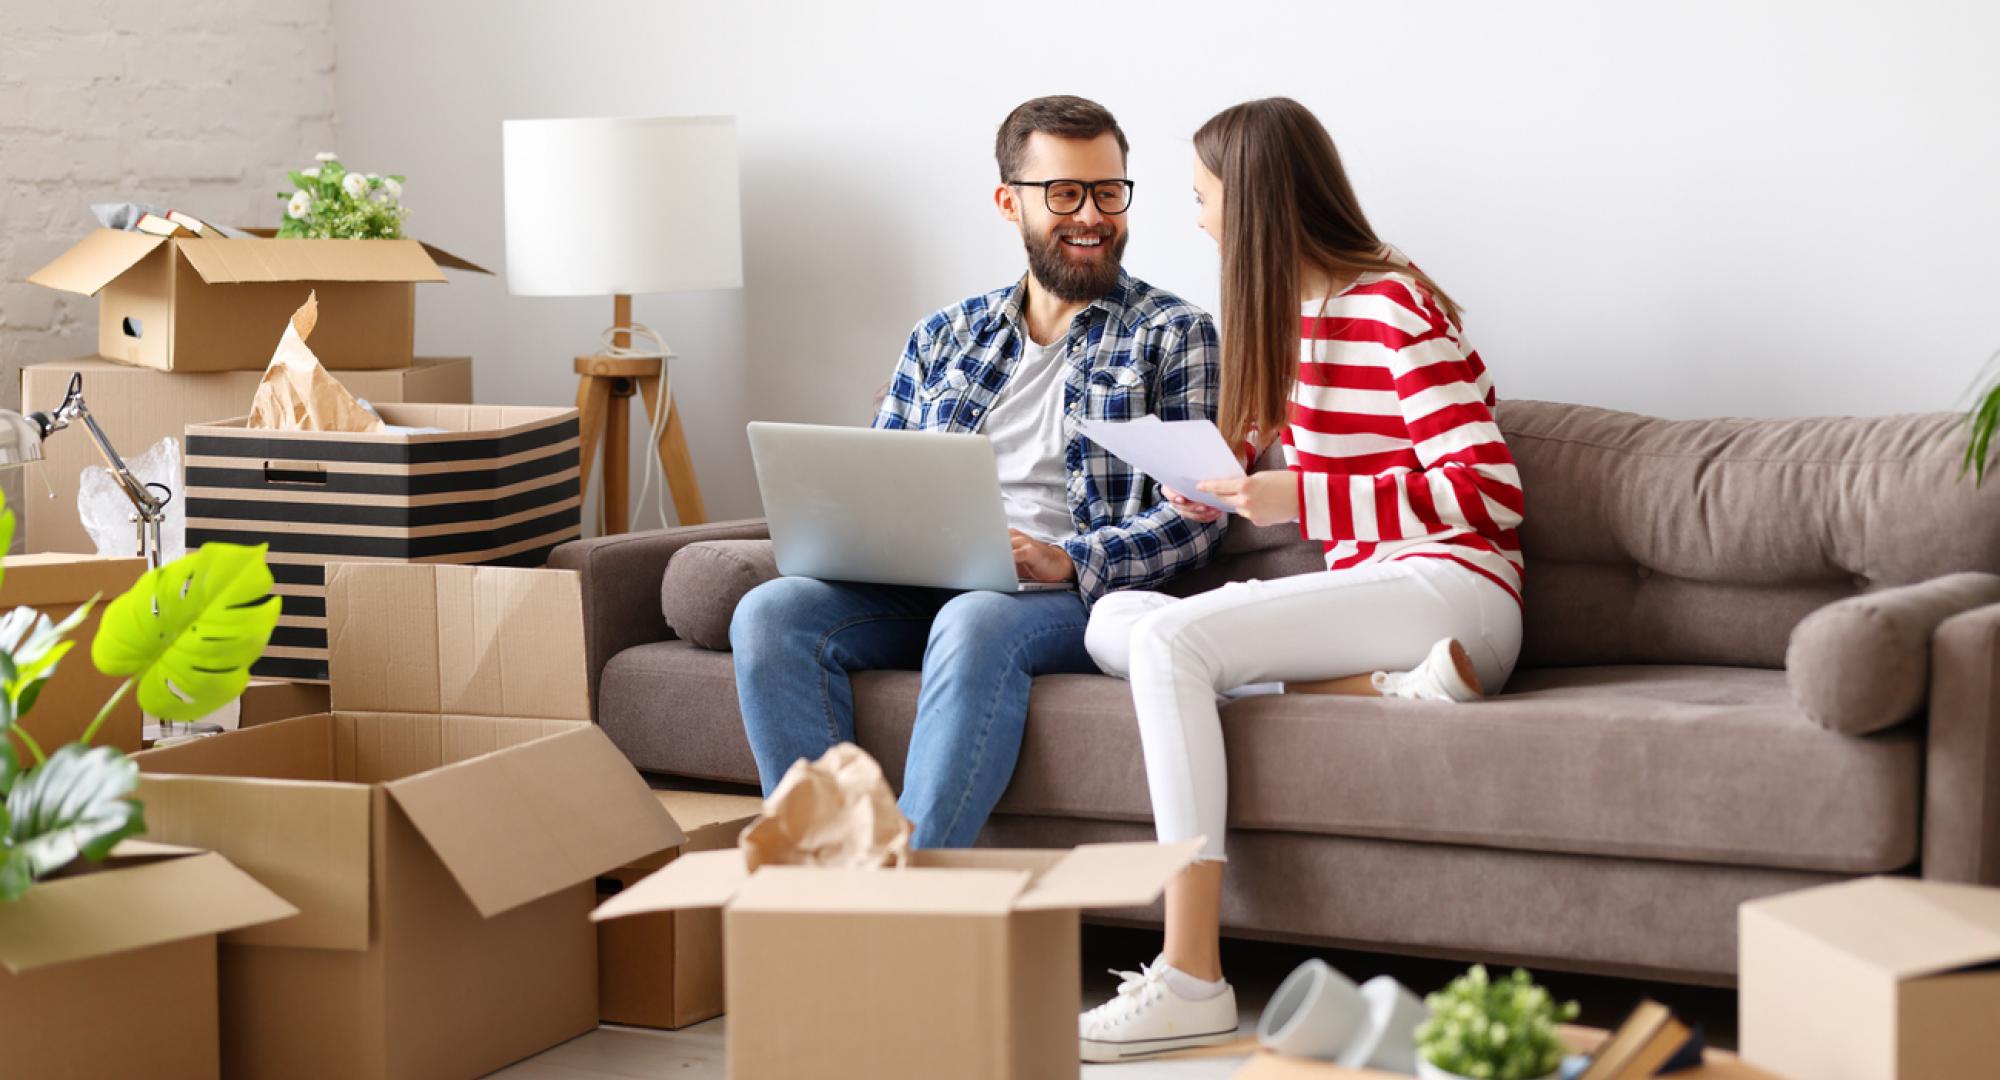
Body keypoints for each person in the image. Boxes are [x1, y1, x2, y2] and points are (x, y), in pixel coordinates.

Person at [1075, 97, 1527, 1063]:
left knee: (1170, 644)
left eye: (1201, 199)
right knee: (1114, 620)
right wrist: (1215, 487)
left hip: (1455, 587)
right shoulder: (1292, 322)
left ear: (1252, 203)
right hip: (1385, 618)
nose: (1194, 222)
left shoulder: (1394, 304)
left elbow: (1486, 493)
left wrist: (1310, 499)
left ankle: (1190, 974)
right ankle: (1390, 690)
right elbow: (1274, 484)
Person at [730, 95, 1225, 849]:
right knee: (769, 613)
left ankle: (917, 890)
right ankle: (822, 878)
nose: (1091, 215)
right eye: (1064, 193)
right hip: (922, 583)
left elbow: (1197, 517)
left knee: (973, 617)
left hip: (1057, 596)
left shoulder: (1174, 334)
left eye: (1108, 191)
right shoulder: (944, 335)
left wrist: (1068, 558)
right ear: (1009, 202)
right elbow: (879, 474)